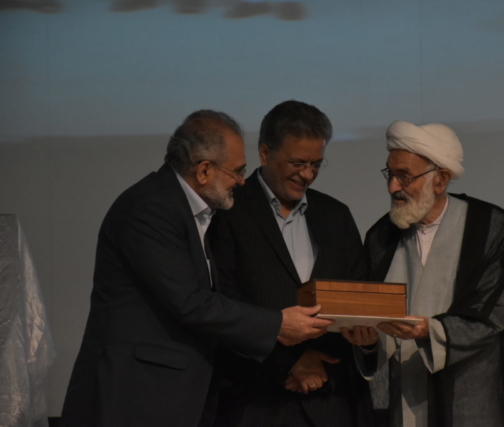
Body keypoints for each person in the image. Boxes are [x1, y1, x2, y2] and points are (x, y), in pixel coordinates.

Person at [60, 110, 332, 427]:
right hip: (133, 396)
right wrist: (277, 324)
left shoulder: (191, 211)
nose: (242, 181)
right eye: (237, 171)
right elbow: (189, 302)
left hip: (171, 395)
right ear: (204, 170)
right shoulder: (151, 208)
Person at [348, 120, 504, 427]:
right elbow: (375, 316)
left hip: (472, 392)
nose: (393, 187)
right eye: (390, 174)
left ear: (441, 179)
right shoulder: (381, 237)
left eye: (404, 176)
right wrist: (367, 341)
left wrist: (426, 331)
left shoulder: (488, 227)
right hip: (408, 390)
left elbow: (493, 312)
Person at [208, 100, 374, 427]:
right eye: (297, 163)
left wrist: (367, 338)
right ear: (265, 153)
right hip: (255, 402)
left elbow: (359, 292)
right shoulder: (227, 211)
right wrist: (288, 363)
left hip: (332, 401)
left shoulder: (336, 215)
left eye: (316, 164)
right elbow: (219, 303)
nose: (308, 174)